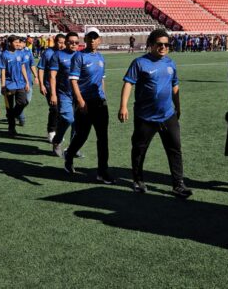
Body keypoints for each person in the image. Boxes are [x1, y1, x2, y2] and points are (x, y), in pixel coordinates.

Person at [119, 29, 192, 198]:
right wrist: (123, 106)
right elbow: (128, 84)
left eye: (166, 44)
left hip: (168, 115)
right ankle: (138, 180)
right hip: (145, 116)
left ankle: (178, 185)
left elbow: (175, 87)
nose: (163, 47)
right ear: (151, 44)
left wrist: (178, 107)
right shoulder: (139, 63)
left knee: (175, 149)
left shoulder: (170, 63)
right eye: (159, 44)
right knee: (139, 149)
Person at [63, 28, 113, 184]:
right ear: (85, 39)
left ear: (99, 40)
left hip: (99, 102)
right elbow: (73, 80)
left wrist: (103, 96)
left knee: (102, 138)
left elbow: (101, 79)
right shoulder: (79, 56)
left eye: (95, 37)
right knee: (82, 136)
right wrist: (80, 101)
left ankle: (102, 172)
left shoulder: (101, 57)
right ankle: (69, 155)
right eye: (89, 37)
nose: (92, 40)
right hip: (84, 102)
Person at [49, 32, 80, 157]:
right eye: (71, 42)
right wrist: (53, 94)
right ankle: (57, 141)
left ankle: (73, 147)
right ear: (66, 42)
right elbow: (52, 76)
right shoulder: (58, 55)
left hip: (80, 94)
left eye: (76, 42)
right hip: (64, 93)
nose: (73, 44)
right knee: (68, 118)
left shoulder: (81, 55)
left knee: (78, 123)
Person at [37, 33, 65, 143]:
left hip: (63, 87)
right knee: (54, 108)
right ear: (55, 42)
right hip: (49, 86)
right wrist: (41, 84)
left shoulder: (65, 53)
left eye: (64, 43)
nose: (62, 45)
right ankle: (51, 131)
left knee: (62, 110)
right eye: (60, 42)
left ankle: (58, 131)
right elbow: (41, 69)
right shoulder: (48, 53)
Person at [0, 35, 30, 136]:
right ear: (9, 43)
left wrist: (27, 81)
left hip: (20, 83)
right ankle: (11, 128)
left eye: (18, 42)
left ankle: (13, 115)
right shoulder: (4, 55)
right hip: (9, 84)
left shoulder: (20, 53)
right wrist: (3, 85)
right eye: (15, 42)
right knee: (9, 107)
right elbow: (3, 70)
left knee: (24, 102)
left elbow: (23, 67)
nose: (18, 44)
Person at [17, 36, 37, 126]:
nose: (20, 44)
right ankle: (21, 118)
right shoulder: (13, 52)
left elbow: (32, 64)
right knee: (21, 101)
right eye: (18, 42)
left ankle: (15, 112)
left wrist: (36, 76)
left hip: (28, 80)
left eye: (22, 42)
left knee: (27, 101)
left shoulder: (28, 52)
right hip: (17, 81)